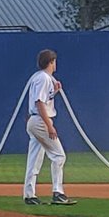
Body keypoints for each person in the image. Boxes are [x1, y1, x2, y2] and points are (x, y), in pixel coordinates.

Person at [23, 49, 73, 206]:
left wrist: (55, 91)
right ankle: (58, 193)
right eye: (54, 61)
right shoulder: (44, 78)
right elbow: (39, 103)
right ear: (51, 62)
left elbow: (43, 99)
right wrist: (49, 125)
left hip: (34, 120)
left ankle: (29, 195)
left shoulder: (40, 78)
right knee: (59, 156)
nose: (55, 64)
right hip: (40, 121)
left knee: (35, 159)